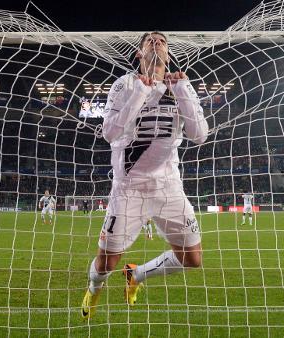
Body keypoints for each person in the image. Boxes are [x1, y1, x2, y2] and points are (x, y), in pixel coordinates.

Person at [81, 31, 208, 319]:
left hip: (168, 186)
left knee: (193, 257)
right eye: (149, 40)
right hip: (129, 187)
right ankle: (94, 287)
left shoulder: (181, 86)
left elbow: (199, 135)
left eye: (162, 41)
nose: (156, 42)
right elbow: (110, 133)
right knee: (107, 261)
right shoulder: (124, 84)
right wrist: (140, 91)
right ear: (139, 53)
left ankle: (136, 275)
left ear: (168, 53)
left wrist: (183, 92)